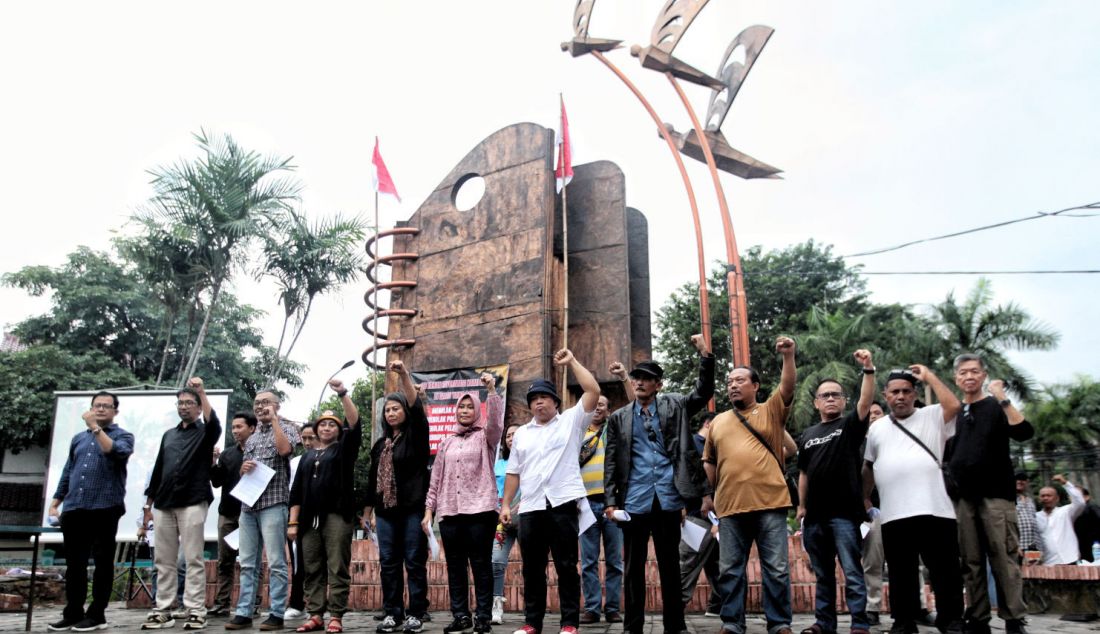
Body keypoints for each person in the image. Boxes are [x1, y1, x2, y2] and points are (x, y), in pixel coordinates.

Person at [605, 334, 714, 634]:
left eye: (647, 378)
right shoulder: (619, 418)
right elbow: (611, 461)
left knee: (670, 567)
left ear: (658, 385)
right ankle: (633, 627)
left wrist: (705, 355)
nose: (640, 382)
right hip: (634, 501)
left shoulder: (675, 406)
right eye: (637, 377)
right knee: (633, 568)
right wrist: (611, 502)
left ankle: (675, 626)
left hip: (668, 498)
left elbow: (703, 392)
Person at [500, 349, 601, 634]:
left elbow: (593, 390)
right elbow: (513, 472)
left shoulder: (572, 422)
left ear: (555, 402)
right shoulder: (521, 434)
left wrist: (572, 361)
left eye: (543, 397)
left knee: (567, 566)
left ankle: (569, 623)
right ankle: (532, 623)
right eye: (533, 399)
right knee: (532, 569)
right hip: (530, 507)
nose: (538, 402)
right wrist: (506, 505)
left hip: (562, 503)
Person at [704, 336, 797, 634]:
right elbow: (710, 462)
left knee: (777, 569)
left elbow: (788, 387)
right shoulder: (717, 421)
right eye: (730, 380)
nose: (732, 385)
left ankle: (779, 623)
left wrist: (788, 356)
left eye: (740, 380)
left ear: (755, 386)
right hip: (730, 507)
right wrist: (712, 497)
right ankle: (732, 623)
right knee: (729, 570)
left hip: (771, 503)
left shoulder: (770, 411)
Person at [862, 366, 964, 634]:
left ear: (914, 394)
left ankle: (951, 621)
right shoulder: (877, 429)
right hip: (895, 513)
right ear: (885, 395)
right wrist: (864, 498)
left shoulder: (932, 415)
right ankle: (903, 622)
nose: (901, 396)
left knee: (945, 572)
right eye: (895, 392)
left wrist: (930, 376)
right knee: (900, 573)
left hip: (936, 510)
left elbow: (954, 404)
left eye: (906, 391)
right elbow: (869, 466)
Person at [949, 353, 1033, 634]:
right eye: (963, 373)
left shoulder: (996, 405)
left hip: (996, 496)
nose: (969, 377)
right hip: (963, 498)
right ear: (956, 378)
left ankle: (1013, 617)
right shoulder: (955, 411)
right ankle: (978, 617)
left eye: (974, 371)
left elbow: (1023, 432)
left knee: (1003, 557)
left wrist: (1002, 397)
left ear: (983, 375)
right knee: (970, 562)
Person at [795, 349, 877, 634]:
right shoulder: (807, 435)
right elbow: (803, 473)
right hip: (815, 517)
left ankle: (859, 624)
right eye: (825, 395)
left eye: (836, 395)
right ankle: (824, 624)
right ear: (816, 402)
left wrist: (868, 369)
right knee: (823, 575)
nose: (830, 398)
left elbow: (866, 401)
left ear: (843, 401)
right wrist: (801, 507)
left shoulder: (850, 425)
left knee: (852, 572)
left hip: (844, 514)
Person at [424, 373, 505, 634]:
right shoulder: (446, 442)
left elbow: (497, 425)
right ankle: (460, 615)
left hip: (480, 511)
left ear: (477, 410)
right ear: (455, 411)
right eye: (462, 407)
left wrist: (491, 390)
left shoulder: (486, 437)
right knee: (455, 567)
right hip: (449, 513)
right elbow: (435, 479)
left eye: (471, 406)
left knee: (481, 565)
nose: (466, 411)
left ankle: (483, 616)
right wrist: (429, 512)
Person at [47, 391, 135, 633]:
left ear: (115, 411)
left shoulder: (123, 436)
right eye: (97, 406)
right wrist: (56, 502)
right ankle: (73, 613)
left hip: (105, 507)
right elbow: (68, 471)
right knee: (75, 564)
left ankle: (97, 614)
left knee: (103, 563)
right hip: (75, 507)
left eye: (107, 406)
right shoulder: (78, 439)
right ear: (91, 407)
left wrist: (96, 428)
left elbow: (113, 451)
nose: (101, 409)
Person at [142, 378, 222, 631]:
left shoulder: (205, 433)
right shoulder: (169, 435)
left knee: (192, 558)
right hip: (164, 503)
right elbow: (158, 472)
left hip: (193, 500)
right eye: (181, 402)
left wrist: (201, 391)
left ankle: (196, 610)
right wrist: (148, 507)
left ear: (199, 408)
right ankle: (163, 609)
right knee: (164, 560)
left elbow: (215, 424)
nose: (184, 406)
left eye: (190, 403)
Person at [288, 379, 361, 633]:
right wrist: (293, 522)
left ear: (338, 430)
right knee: (311, 566)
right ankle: (316, 614)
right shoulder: (307, 457)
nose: (327, 427)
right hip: (308, 520)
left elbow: (354, 422)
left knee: (336, 566)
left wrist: (342, 393)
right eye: (323, 424)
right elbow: (295, 492)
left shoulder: (344, 451)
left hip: (337, 516)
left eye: (332, 424)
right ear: (316, 430)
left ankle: (337, 616)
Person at [363, 361, 431, 634]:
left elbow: (417, 409)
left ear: (405, 411)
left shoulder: (416, 435)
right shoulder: (381, 445)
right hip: (386, 513)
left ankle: (416, 613)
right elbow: (371, 481)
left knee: (414, 561)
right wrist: (367, 513)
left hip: (413, 509)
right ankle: (393, 613)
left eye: (396, 408)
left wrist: (403, 374)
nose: (391, 413)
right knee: (388, 563)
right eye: (387, 410)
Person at [227, 389, 302, 631]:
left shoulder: (288, 427)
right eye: (257, 403)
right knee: (248, 562)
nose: (260, 407)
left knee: (277, 562)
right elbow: (245, 469)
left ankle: (277, 613)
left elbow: (284, 451)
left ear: (277, 406)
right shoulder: (251, 435)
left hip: (274, 503)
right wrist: (242, 469)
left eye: (266, 403)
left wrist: (275, 422)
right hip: (248, 506)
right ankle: (244, 612)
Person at [578, 394, 623, 624]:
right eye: (594, 405)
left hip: (611, 504)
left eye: (602, 405)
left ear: (608, 411)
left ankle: (613, 608)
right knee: (588, 561)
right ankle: (593, 608)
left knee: (615, 560)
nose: (597, 408)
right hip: (585, 504)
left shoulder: (613, 432)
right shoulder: (578, 433)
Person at [210, 412, 259, 618]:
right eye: (233, 427)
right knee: (225, 560)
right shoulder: (228, 454)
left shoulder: (260, 452)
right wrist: (213, 461)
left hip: (252, 512)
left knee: (252, 561)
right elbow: (216, 482)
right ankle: (222, 603)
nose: (236, 431)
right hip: (228, 514)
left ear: (252, 428)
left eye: (240, 427)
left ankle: (253, 603)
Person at [677, 412, 723, 617]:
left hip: (719, 517)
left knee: (718, 564)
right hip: (696, 515)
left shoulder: (717, 446)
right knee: (687, 562)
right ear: (709, 423)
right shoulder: (693, 444)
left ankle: (718, 605)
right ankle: (676, 606)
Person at [286, 425, 317, 622]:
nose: (307, 443)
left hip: (321, 516)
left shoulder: (332, 456)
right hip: (297, 517)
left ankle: (319, 607)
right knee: (298, 563)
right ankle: (297, 603)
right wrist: (292, 520)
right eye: (304, 438)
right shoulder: (295, 462)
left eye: (311, 438)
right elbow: (292, 492)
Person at [860, 401, 887, 627]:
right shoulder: (857, 442)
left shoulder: (895, 438)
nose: (874, 417)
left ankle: (918, 606)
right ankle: (872, 607)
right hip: (871, 510)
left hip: (901, 506)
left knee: (911, 561)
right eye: (870, 414)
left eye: (878, 413)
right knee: (872, 560)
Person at [491, 424, 521, 625]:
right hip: (503, 519)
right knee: (497, 561)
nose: (511, 438)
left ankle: (535, 611)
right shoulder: (499, 464)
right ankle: (496, 606)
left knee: (535, 564)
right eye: (508, 435)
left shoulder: (532, 462)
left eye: (516, 434)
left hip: (527, 517)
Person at [1035, 474, 1086, 564]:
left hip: (1069, 559)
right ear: (1039, 498)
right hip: (1047, 563)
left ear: (1057, 499)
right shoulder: (1035, 517)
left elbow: (1080, 502)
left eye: (1049, 495)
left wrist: (1065, 483)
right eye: (1043, 496)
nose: (1045, 498)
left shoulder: (1065, 512)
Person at [1014, 472, 1043, 557]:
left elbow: (1033, 521)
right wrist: (1015, 545)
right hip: (1017, 546)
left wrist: (1039, 547)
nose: (1020, 482)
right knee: (1017, 569)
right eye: (1017, 479)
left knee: (1032, 570)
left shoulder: (1030, 500)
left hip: (1033, 546)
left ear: (1027, 482)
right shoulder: (1007, 499)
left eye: (1023, 479)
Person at [1074, 487, 1100, 562]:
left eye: (1077, 495)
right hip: (1081, 551)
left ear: (1086, 497)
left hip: (1094, 548)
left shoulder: (1092, 508)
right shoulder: (1070, 511)